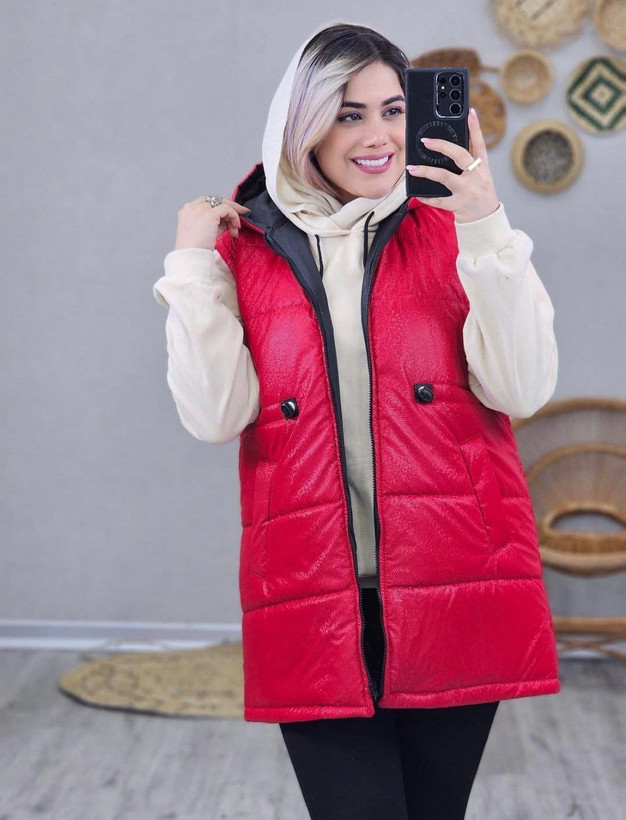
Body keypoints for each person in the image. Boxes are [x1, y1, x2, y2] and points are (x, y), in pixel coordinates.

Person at [153, 21, 561, 820]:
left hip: (454, 583)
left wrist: (485, 226)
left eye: (393, 110)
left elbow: (522, 388)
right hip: (311, 593)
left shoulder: (461, 229)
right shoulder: (246, 245)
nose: (378, 136)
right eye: (348, 114)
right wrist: (192, 267)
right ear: (303, 126)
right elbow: (214, 416)